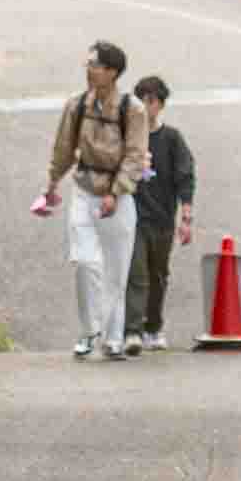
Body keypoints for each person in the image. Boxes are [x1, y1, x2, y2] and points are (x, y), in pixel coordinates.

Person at [36, 45, 143, 355]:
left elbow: (135, 155)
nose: (89, 69)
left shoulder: (131, 109)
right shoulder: (77, 105)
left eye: (95, 65)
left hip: (117, 197)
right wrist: (52, 183)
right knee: (83, 260)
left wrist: (116, 191)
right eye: (89, 63)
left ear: (112, 72)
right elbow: (63, 148)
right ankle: (88, 330)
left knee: (116, 270)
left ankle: (113, 339)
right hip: (83, 189)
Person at [125, 83, 203, 352]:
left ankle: (153, 327)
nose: (146, 107)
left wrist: (186, 217)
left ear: (161, 104)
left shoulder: (171, 139)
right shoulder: (128, 137)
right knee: (137, 273)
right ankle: (132, 330)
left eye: (152, 101)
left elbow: (185, 177)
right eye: (141, 101)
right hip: (132, 218)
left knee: (158, 275)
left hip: (162, 219)